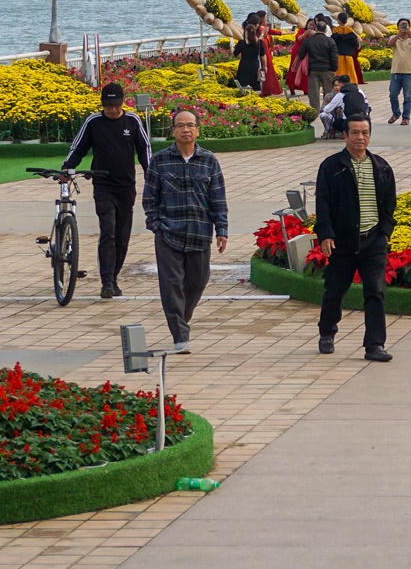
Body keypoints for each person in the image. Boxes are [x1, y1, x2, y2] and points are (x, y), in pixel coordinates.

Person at [142, 109, 228, 354]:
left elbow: (218, 198)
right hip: (168, 234)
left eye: (190, 125)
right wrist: (156, 225)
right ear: (173, 131)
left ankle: (181, 319)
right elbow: (149, 198)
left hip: (200, 233)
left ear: (198, 129)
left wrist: (221, 229)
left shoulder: (209, 161)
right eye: (180, 126)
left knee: (197, 282)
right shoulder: (160, 161)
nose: (186, 130)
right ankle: (180, 335)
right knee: (171, 286)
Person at [314, 116, 396, 362]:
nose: (361, 137)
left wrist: (385, 231)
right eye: (355, 133)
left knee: (375, 291)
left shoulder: (381, 167)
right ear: (345, 136)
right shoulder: (331, 166)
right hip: (343, 241)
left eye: (365, 132)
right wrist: (326, 234)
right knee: (335, 290)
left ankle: (375, 345)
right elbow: (323, 202)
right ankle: (327, 332)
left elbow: (390, 203)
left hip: (373, 240)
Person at [60, 82, 152, 298]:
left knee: (122, 236)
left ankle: (114, 277)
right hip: (102, 184)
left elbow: (144, 150)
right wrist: (67, 167)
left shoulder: (133, 121)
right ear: (102, 104)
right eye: (108, 106)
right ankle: (107, 282)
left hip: (126, 186)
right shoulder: (93, 122)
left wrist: (151, 174)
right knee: (108, 231)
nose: (112, 110)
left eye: (116, 105)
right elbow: (78, 148)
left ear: (122, 103)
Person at [299, 19, 339, 111]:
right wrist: (334, 68)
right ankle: (328, 109)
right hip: (327, 69)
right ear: (325, 30)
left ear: (316, 29)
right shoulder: (330, 41)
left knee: (313, 92)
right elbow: (334, 56)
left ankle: (315, 110)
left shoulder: (308, 40)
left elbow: (301, 54)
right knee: (329, 91)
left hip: (313, 69)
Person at [387, 19, 411, 126]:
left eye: (406, 25)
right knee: (393, 94)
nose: (404, 27)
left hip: (409, 72)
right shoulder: (394, 38)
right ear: (398, 27)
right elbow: (389, 44)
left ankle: (406, 118)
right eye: (402, 25)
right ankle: (396, 113)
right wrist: (398, 35)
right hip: (396, 71)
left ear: (409, 26)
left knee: (407, 96)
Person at [233, 19, 266, 92]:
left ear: (245, 32)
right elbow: (262, 55)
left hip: (244, 66)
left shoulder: (242, 42)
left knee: (243, 86)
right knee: (255, 86)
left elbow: (235, 54)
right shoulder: (259, 42)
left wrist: (231, 46)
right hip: (255, 66)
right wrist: (264, 67)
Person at [332, 13, 363, 84]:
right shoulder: (350, 31)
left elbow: (332, 43)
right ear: (346, 20)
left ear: (338, 21)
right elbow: (356, 45)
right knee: (350, 74)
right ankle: (352, 86)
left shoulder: (335, 30)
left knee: (338, 74)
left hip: (339, 56)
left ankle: (338, 86)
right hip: (349, 56)